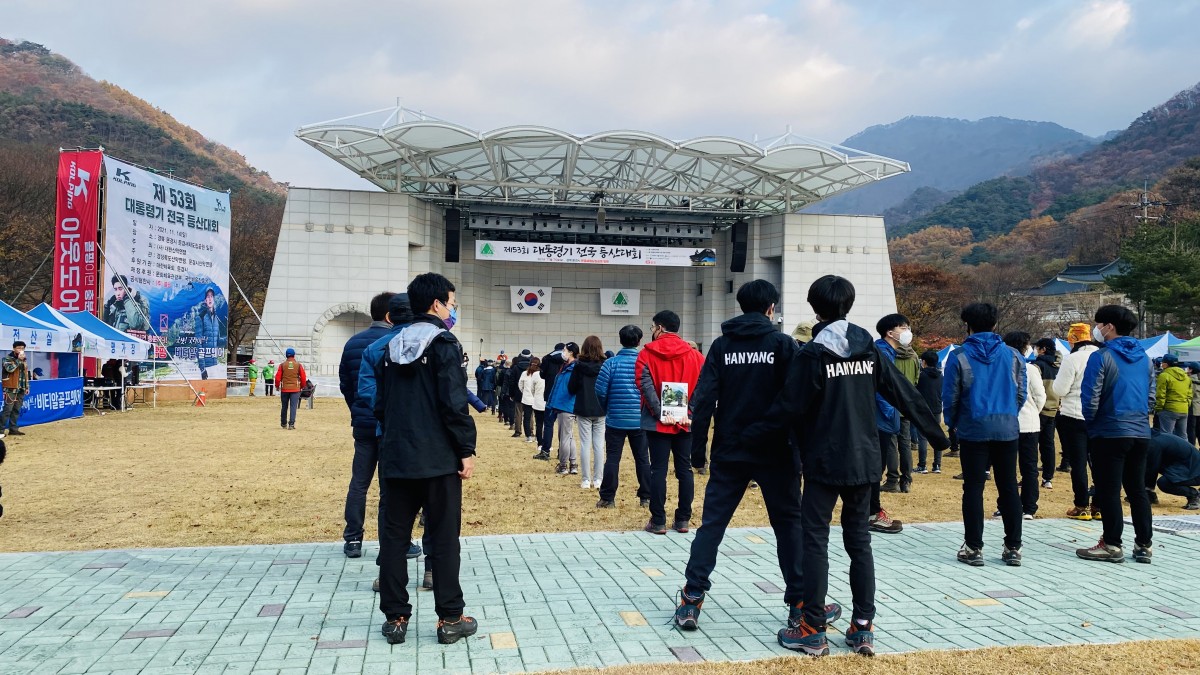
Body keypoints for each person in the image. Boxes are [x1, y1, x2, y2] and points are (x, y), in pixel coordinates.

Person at [768, 275, 947, 656]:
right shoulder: (870, 350)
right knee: (859, 544)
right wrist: (937, 435)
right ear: (848, 305)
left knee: (815, 541)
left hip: (823, 460)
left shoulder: (813, 354)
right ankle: (863, 626)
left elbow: (787, 407)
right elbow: (904, 393)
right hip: (865, 459)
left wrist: (747, 437)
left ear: (814, 307)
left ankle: (812, 627)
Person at [676, 280, 841, 637]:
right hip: (776, 449)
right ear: (771, 308)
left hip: (730, 449)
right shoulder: (782, 345)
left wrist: (698, 451)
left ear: (741, 306)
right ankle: (800, 603)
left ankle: (692, 597)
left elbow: (703, 400)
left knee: (713, 525)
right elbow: (797, 401)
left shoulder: (722, 346)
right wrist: (804, 451)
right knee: (789, 526)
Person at [375, 272, 477, 645]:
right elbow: (454, 403)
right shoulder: (444, 343)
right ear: (436, 304)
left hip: (397, 456)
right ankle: (450, 618)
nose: (452, 309)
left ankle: (395, 618)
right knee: (444, 538)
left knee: (394, 538)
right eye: (451, 303)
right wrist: (465, 449)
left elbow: (380, 405)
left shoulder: (391, 345)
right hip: (438, 459)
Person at [944, 303, 1027, 567]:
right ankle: (1013, 547)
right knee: (1008, 486)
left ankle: (973, 547)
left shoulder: (959, 356)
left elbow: (950, 396)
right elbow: (1021, 392)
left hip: (973, 428)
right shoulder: (1013, 355)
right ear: (995, 324)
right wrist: (1009, 414)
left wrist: (952, 423)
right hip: (1007, 428)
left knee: (973, 487)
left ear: (967, 325)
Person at [1076, 305, 1154, 564]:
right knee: (1137, 489)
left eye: (1099, 324)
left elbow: (1090, 396)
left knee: (1109, 490)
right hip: (1140, 430)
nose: (1096, 329)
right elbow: (1151, 397)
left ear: (1109, 326)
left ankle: (1111, 544)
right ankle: (1144, 544)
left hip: (1109, 430)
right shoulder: (1145, 358)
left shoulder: (1101, 356)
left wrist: (1091, 424)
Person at [338, 291, 396, 559]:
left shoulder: (352, 343)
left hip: (362, 423)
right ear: (390, 316)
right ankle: (394, 541)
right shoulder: (395, 342)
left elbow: (346, 384)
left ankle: (353, 538)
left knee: (359, 483)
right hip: (389, 424)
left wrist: (356, 409)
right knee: (389, 486)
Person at [636, 310, 704, 535]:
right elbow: (703, 385)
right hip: (685, 421)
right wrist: (689, 411)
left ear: (660, 328)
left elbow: (644, 384)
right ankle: (683, 519)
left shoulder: (646, 354)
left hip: (657, 424)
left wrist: (660, 412)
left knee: (658, 469)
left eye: (652, 327)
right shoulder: (695, 356)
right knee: (684, 468)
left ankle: (658, 521)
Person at [595, 325, 651, 509]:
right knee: (642, 458)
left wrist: (607, 407)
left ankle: (607, 498)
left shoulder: (610, 363)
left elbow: (600, 391)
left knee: (612, 458)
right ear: (639, 341)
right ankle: (646, 497)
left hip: (615, 419)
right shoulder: (645, 363)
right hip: (639, 419)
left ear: (620, 340)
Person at [999, 331, 1046, 521]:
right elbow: (1040, 396)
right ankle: (1029, 507)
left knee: (1006, 469)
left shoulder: (1000, 367)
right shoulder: (1031, 369)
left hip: (1007, 423)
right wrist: (1033, 410)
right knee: (1029, 468)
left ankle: (1006, 505)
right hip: (1029, 424)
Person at [1053, 329, 1100, 520]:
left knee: (1078, 463)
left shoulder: (1072, 359)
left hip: (1074, 415)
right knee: (1099, 463)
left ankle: (1081, 505)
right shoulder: (1103, 356)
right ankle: (1099, 505)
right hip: (1098, 417)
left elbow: (1060, 389)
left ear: (1073, 341)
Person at [569, 337, 607, 490]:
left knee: (585, 445)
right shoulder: (605, 365)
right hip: (601, 409)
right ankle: (598, 479)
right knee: (599, 445)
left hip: (583, 408)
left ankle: (586, 480)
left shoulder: (578, 366)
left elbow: (571, 388)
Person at [1032, 338, 1061, 489]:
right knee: (1048, 444)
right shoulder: (1058, 366)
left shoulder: (1038, 365)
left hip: (1039, 409)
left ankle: (1030, 478)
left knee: (1031, 445)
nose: (1035, 350)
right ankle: (1047, 478)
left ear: (1043, 349)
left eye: (1037, 347)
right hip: (1053, 409)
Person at [547, 342, 580, 476]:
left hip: (565, 405)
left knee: (564, 437)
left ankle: (563, 465)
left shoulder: (572, 368)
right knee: (569, 435)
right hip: (565, 405)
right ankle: (573, 464)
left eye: (565, 350)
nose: (563, 352)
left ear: (571, 352)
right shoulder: (567, 367)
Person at [1145, 429, 1200, 510]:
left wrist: (1148, 490)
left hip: (1194, 471)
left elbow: (1152, 468)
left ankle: (1194, 494)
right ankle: (1150, 496)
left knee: (1164, 483)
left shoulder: (1154, 443)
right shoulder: (1156, 437)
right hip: (1188, 467)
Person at [535, 344, 567, 460]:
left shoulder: (547, 358)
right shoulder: (568, 359)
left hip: (550, 395)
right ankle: (562, 452)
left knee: (548, 424)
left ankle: (545, 450)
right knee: (564, 427)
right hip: (564, 397)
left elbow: (542, 375)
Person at [914, 350, 943, 473]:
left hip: (923, 409)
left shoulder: (921, 376)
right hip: (937, 408)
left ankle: (922, 465)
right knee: (937, 436)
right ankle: (937, 465)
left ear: (924, 362)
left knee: (922, 438)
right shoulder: (941, 376)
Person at [1154, 353, 1192, 439]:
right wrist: (1186, 405)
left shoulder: (1164, 375)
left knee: (1167, 436)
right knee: (1182, 436)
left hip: (1169, 409)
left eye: (1163, 362)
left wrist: (1158, 408)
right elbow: (1189, 394)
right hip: (1184, 409)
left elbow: (1161, 394)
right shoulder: (1186, 377)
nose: (1161, 364)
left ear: (1166, 364)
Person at [1, 342, 30, 438]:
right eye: (19, 348)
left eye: (22, 348)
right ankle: (0, 430)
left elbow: (25, 374)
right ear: (14, 349)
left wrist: (26, 387)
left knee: (16, 409)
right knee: (7, 410)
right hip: (10, 388)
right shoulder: (7, 359)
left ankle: (13, 429)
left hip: (21, 388)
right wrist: (18, 360)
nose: (21, 350)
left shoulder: (24, 360)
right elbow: (9, 369)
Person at [194, 287, 223, 380]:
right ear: (205, 300)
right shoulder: (200, 317)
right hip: (206, 366)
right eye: (208, 296)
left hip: (215, 363)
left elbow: (218, 341)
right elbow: (198, 343)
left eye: (211, 296)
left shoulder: (216, 318)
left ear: (214, 299)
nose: (210, 299)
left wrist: (226, 339)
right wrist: (202, 368)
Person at [275, 348, 307, 430]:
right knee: (293, 407)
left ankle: (283, 423)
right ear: (294, 355)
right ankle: (291, 424)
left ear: (286, 355)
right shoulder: (298, 365)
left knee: (284, 406)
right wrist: (302, 386)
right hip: (295, 389)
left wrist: (277, 386)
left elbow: (277, 377)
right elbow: (303, 377)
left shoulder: (282, 365)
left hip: (285, 389)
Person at [518, 357, 545, 444]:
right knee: (539, 420)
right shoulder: (541, 374)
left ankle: (528, 436)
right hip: (537, 399)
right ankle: (538, 436)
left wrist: (524, 392)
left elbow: (520, 385)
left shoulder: (525, 373)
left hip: (527, 398)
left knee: (526, 418)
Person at [510, 349, 532, 439]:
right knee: (530, 414)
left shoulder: (516, 368)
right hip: (530, 393)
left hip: (518, 393)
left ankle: (518, 431)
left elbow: (512, 382)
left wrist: (511, 394)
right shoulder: (533, 368)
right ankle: (530, 431)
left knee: (518, 413)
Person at [1187, 362, 1200, 446]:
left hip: (1192, 408)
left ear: (1191, 370)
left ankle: (1191, 448)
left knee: (1191, 430)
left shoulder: (1188, 380)